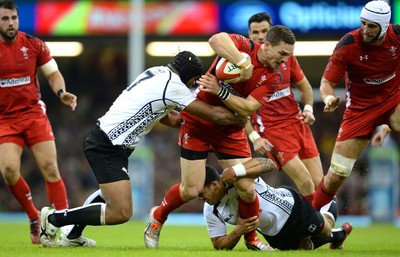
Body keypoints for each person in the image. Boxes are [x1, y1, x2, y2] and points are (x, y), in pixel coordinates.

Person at [39, 51, 244, 248]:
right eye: (193, 81)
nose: (192, 86)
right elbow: (215, 115)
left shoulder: (156, 72)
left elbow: (165, 115)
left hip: (107, 140)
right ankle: (54, 218)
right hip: (107, 145)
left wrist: (189, 124)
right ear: (190, 77)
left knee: (108, 194)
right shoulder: (173, 85)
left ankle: (72, 236)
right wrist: (241, 117)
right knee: (121, 212)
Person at [144, 25, 294, 251]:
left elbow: (248, 107)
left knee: (246, 186)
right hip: (199, 122)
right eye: (282, 54)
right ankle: (157, 218)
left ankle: (251, 238)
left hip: (230, 129)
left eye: (288, 56)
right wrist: (243, 64)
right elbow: (216, 39)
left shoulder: (273, 77)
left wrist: (220, 90)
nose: (284, 61)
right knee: (191, 190)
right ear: (267, 45)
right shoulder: (244, 46)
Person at [0, 0, 77, 244]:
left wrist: (61, 92)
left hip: (33, 115)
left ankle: (64, 227)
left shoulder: (34, 44)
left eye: (13, 18)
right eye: (4, 19)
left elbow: (52, 73)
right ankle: (34, 217)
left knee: (51, 168)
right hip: (5, 119)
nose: (10, 23)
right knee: (9, 171)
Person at [312, 0, 400, 210]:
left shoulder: (397, 36)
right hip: (360, 110)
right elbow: (326, 83)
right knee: (338, 173)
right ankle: (311, 219)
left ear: (385, 25)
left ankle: (387, 125)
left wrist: (386, 125)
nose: (365, 30)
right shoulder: (348, 44)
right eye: (363, 23)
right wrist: (328, 98)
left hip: (394, 100)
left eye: (372, 26)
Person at [245, 12, 323, 204]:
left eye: (264, 31)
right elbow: (239, 108)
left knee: (320, 184)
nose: (260, 36)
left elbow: (304, 86)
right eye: (255, 32)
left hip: (298, 124)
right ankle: (316, 230)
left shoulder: (286, 57)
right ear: (249, 35)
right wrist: (255, 137)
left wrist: (308, 109)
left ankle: (320, 227)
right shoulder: (245, 66)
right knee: (305, 183)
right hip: (273, 131)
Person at [201, 162, 353, 250]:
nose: (201, 199)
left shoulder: (238, 179)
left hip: (292, 208)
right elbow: (218, 244)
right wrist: (237, 232)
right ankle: (339, 234)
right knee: (304, 247)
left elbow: (269, 163)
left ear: (214, 185)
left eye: (202, 194)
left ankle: (329, 199)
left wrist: (238, 169)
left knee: (325, 230)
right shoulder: (210, 208)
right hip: (272, 232)